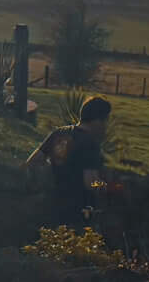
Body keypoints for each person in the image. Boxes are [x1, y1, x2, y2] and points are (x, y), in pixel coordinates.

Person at [26, 94, 112, 230]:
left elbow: (33, 162)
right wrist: (107, 186)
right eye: (105, 121)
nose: (105, 126)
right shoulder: (90, 143)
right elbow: (90, 182)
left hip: (54, 205)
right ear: (97, 121)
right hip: (80, 212)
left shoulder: (58, 133)